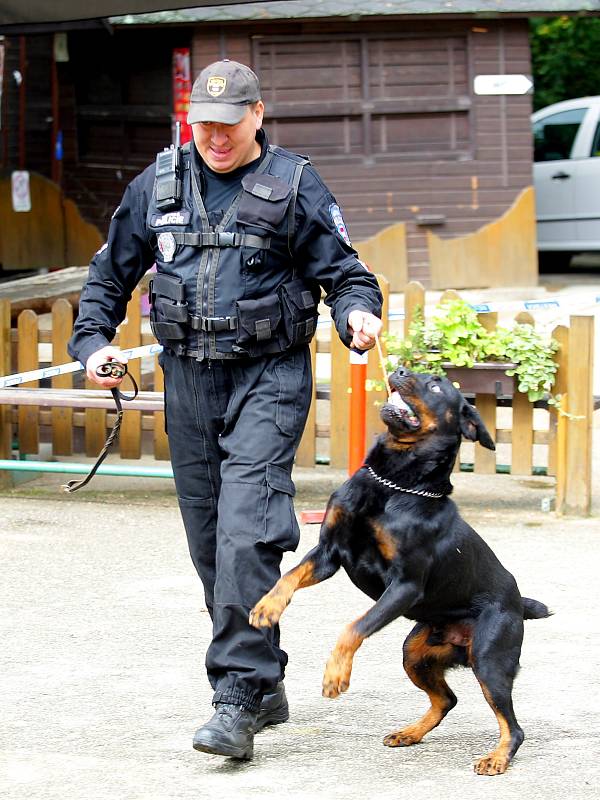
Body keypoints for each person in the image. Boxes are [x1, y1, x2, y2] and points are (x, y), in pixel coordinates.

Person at [68, 59, 383, 760]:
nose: (215, 136)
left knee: (247, 529)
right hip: (188, 378)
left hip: (268, 374)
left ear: (257, 115)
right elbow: (109, 273)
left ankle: (237, 695)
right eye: (203, 123)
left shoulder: (295, 184)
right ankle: (265, 679)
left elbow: (347, 275)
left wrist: (359, 315)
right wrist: (91, 343)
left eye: (229, 123)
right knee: (211, 543)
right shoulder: (159, 182)